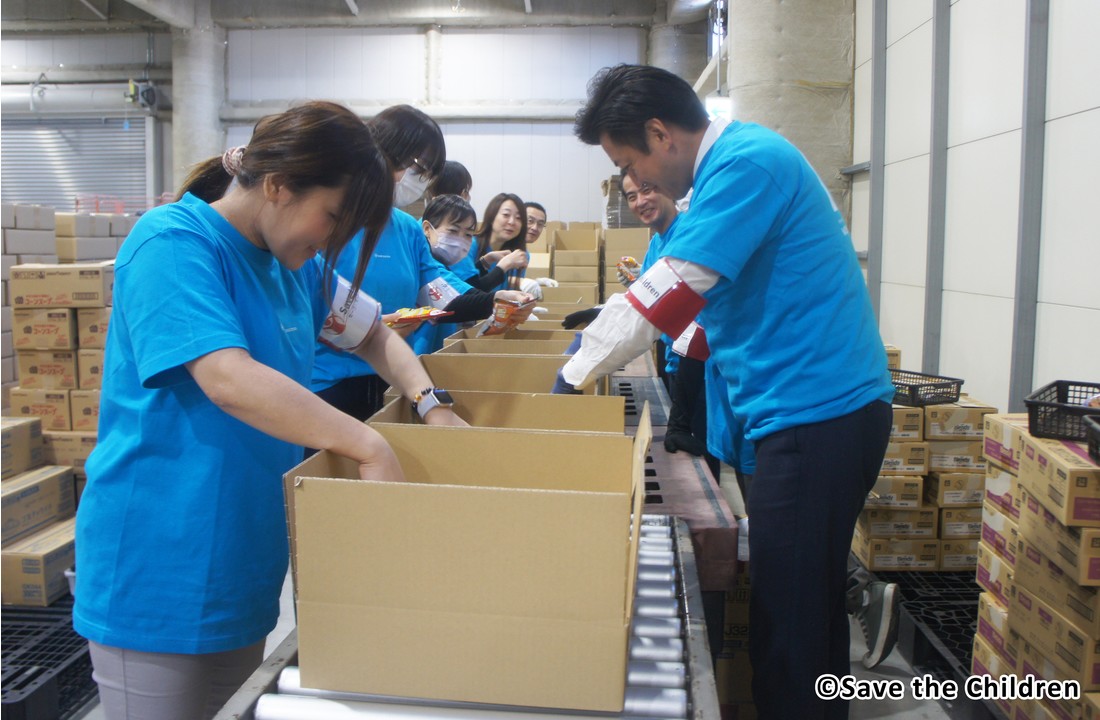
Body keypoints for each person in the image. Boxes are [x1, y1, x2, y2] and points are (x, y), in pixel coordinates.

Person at [72, 101, 466, 720]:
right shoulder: (173, 242)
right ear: (279, 185)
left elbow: (374, 335)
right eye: (331, 217)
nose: (331, 241)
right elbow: (227, 378)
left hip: (244, 558)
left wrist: (430, 403)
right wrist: (367, 444)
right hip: (159, 561)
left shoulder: (295, 270)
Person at [560, 64, 895, 720]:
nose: (634, 181)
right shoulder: (725, 175)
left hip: (817, 414)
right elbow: (677, 299)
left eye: (629, 163)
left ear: (661, 134)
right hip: (806, 413)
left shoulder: (748, 166)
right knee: (806, 608)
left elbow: (670, 291)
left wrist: (572, 375)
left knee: (788, 625)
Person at [310, 106, 530, 421]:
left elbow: (440, 294)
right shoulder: (329, 220)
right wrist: (374, 324)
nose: (415, 179)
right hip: (327, 382)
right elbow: (309, 303)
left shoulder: (406, 229)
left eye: (426, 174)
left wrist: (494, 300)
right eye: (416, 167)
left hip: (393, 380)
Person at [469, 192, 529, 292]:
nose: (512, 222)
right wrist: (505, 265)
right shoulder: (470, 245)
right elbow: (469, 291)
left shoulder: (519, 254)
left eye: (518, 218)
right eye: (506, 215)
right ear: (491, 217)